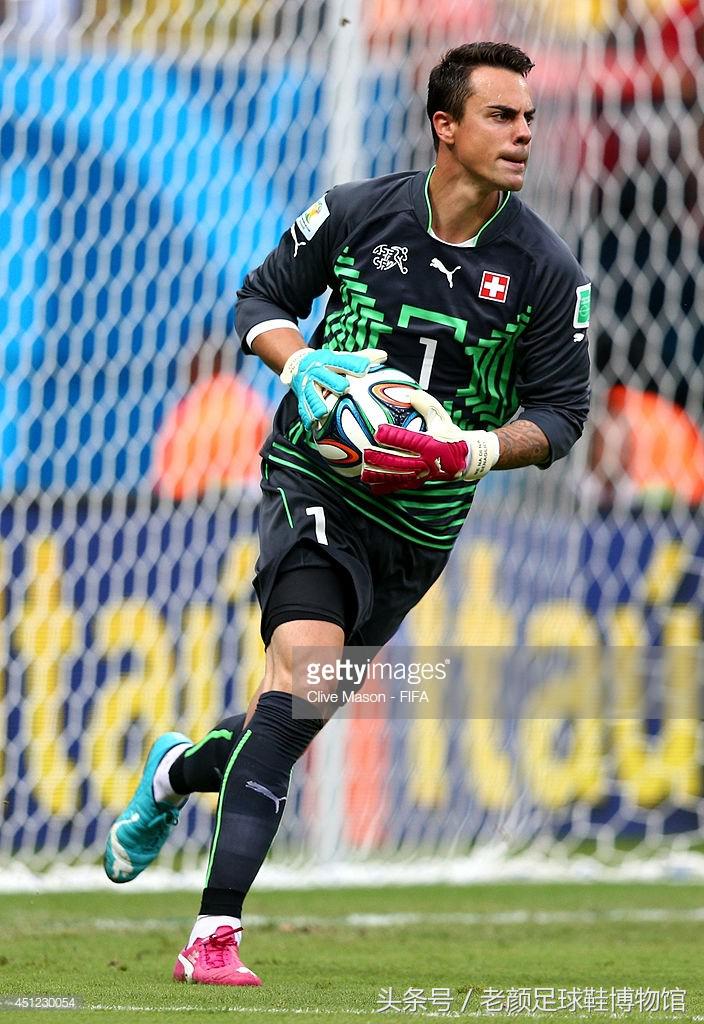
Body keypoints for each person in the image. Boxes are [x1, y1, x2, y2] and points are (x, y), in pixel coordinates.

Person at [103, 41, 591, 987]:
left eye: (529, 118)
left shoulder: (544, 269)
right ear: (445, 126)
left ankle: (171, 773)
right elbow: (259, 299)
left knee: (286, 721)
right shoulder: (360, 212)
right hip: (313, 481)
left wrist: (473, 449)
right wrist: (302, 364)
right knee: (297, 671)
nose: (524, 133)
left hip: (418, 531)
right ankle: (213, 936)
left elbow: (562, 414)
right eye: (502, 116)